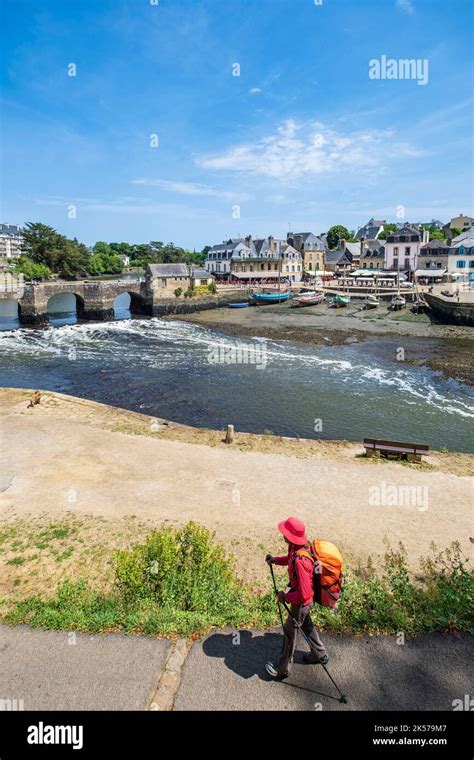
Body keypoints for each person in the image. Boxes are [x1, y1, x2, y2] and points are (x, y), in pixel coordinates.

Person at [265, 516, 328, 680]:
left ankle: (282, 669)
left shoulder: (301, 561)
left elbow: (304, 594)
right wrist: (275, 560)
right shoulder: (297, 548)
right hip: (306, 603)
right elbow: (289, 560)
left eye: (285, 532)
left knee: (289, 633)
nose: (282, 534)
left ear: (291, 536)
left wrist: (285, 596)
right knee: (306, 625)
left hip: (301, 603)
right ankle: (319, 655)